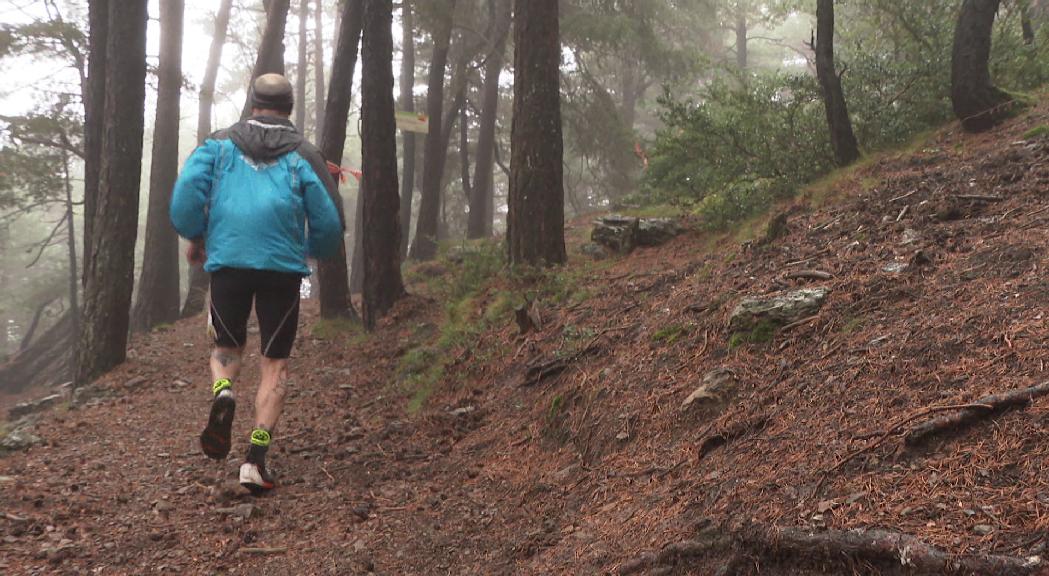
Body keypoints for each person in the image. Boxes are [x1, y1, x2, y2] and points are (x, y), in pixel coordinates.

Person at [170, 73, 343, 493]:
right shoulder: (304, 152)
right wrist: (312, 249)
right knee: (275, 362)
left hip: (228, 259)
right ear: (290, 106)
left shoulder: (219, 144)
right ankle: (256, 459)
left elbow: (186, 193)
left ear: (253, 102)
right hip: (281, 268)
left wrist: (197, 235)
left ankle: (224, 392)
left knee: (226, 347)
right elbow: (327, 218)